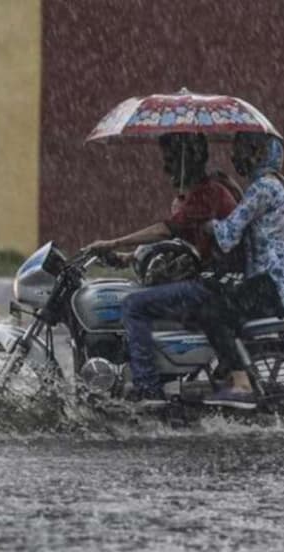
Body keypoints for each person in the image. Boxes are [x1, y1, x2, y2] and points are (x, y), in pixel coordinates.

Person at [85, 132, 237, 400]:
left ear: (187, 158)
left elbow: (166, 230)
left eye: (170, 158)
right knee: (138, 294)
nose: (165, 166)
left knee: (133, 305)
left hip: (213, 285)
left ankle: (147, 389)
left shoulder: (207, 193)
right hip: (212, 280)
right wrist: (127, 257)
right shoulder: (202, 192)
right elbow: (178, 243)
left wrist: (113, 242)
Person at [203, 132, 284, 400]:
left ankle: (239, 380)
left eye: (242, 151)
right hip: (282, 281)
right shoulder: (275, 184)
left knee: (213, 311)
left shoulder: (263, 189)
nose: (236, 157)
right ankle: (230, 367)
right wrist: (234, 188)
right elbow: (250, 214)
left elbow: (229, 234)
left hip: (271, 284)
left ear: (259, 154)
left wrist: (207, 225)